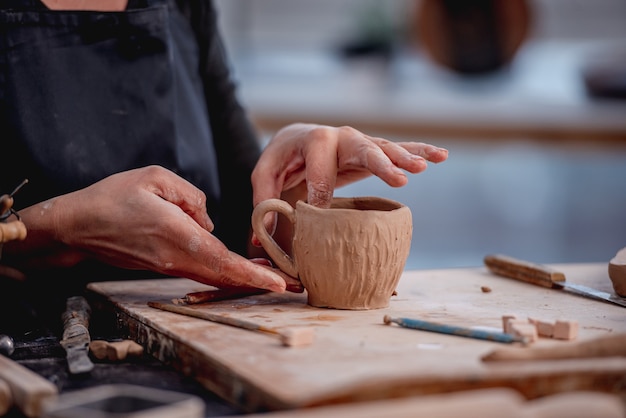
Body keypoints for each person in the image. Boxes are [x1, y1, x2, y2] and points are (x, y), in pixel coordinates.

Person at [0, 0, 448, 298]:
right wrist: (61, 224)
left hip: (192, 334)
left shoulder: (185, 5)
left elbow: (245, 225)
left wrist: (298, 180)